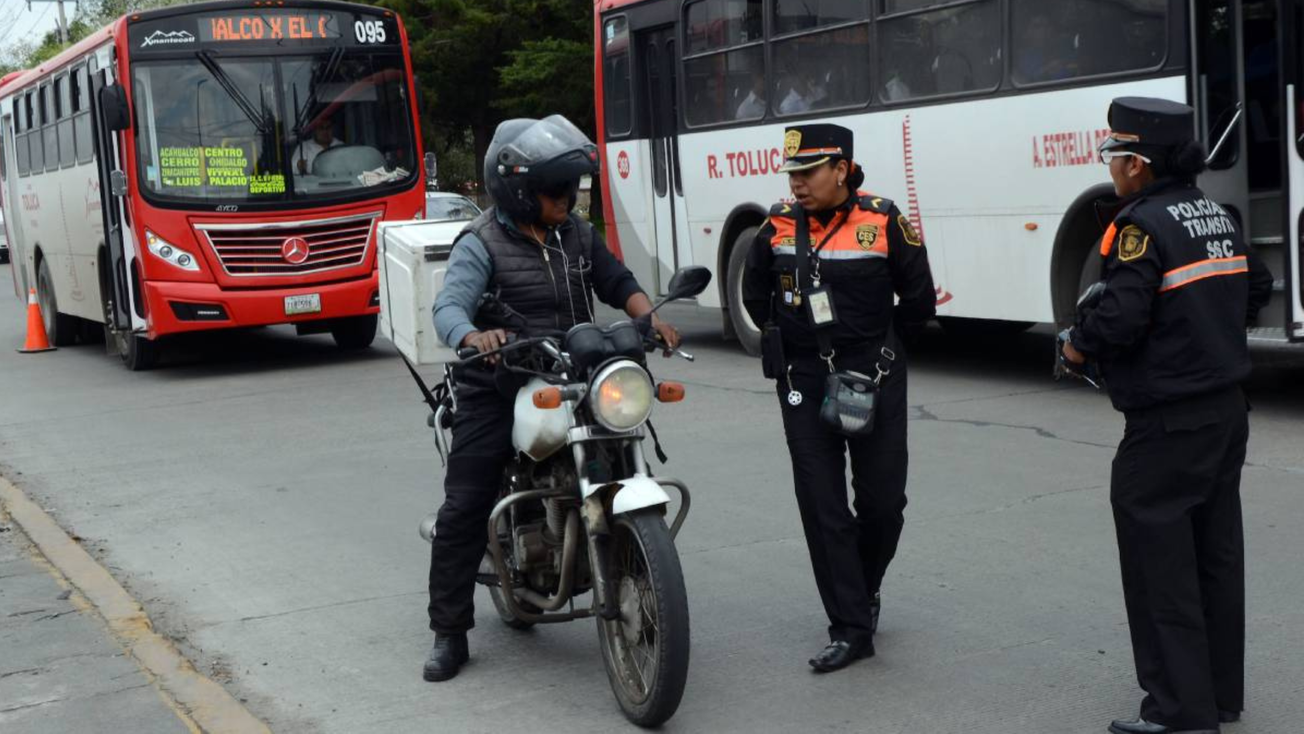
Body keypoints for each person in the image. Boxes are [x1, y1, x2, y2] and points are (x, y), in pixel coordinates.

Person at [422, 115, 681, 683]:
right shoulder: (480, 242)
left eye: (571, 186)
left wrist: (650, 318)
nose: (567, 197)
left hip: (577, 367)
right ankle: (449, 631)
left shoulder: (577, 234)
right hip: (502, 377)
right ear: (518, 189)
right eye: (555, 188)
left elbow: (617, 281)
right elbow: (449, 307)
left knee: (621, 439)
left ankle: (634, 566)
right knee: (465, 503)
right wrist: (473, 337)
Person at [1061, 97, 1273, 734]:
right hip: (1225, 411)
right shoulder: (1216, 214)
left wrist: (1077, 346)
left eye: (1114, 154)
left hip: (1167, 422)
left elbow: (1121, 317)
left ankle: (1180, 711)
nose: (1110, 166)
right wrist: (1208, 331)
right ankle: (1218, 696)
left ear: (1138, 163)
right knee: (1215, 556)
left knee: (1160, 566)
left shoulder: (1141, 225)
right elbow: (1257, 285)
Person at [742, 124, 936, 673]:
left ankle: (863, 587)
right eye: (793, 174)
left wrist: (879, 348)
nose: (797, 184)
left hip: (873, 374)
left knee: (883, 504)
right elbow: (755, 296)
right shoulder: (777, 225)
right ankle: (850, 627)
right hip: (803, 379)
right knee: (822, 505)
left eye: (808, 173)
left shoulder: (883, 219)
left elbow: (919, 301)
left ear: (842, 170)